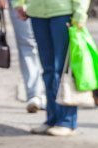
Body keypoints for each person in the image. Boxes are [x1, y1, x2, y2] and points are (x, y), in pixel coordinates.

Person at [14, 0, 84, 136]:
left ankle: (67, 121)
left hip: (63, 12)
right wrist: (18, 3)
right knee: (48, 70)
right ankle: (52, 119)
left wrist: (80, 13)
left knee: (63, 69)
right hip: (37, 13)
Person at [0, 0, 43, 112]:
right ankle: (34, 94)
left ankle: (48, 93)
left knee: (45, 44)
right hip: (18, 3)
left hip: (53, 6)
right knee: (27, 44)